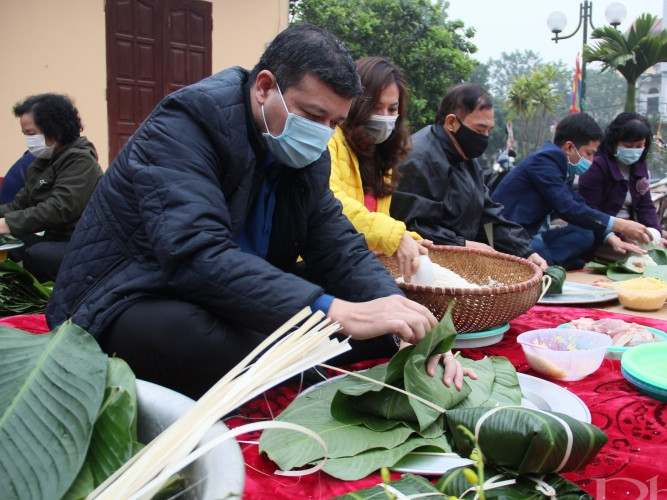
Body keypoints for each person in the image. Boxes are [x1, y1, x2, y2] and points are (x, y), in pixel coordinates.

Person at [46, 24, 472, 399]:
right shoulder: (184, 125)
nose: (322, 134)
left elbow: (340, 248)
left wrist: (400, 315)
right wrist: (336, 313)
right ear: (265, 87)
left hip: (237, 293)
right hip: (141, 293)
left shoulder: (307, 156)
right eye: (313, 115)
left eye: (334, 123)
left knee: (373, 313)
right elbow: (195, 255)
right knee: (190, 338)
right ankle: (300, 351)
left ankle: (294, 352)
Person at [389, 83, 546, 268]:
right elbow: (411, 226)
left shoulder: (465, 157)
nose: (484, 137)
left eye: (489, 131)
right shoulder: (420, 158)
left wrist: (525, 251)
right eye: (479, 130)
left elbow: (487, 211)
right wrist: (463, 245)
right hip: (421, 264)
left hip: (457, 261)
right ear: (451, 122)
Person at [490, 112, 650, 270]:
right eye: (589, 153)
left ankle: (549, 264)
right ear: (569, 147)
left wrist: (609, 236)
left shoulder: (565, 167)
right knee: (538, 252)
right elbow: (568, 208)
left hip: (534, 234)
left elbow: (578, 204)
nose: (591, 160)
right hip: (511, 235)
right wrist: (620, 225)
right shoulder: (544, 162)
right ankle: (549, 265)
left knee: (585, 234)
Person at [327, 57, 429, 279]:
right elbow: (330, 203)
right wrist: (395, 237)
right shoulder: (331, 139)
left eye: (392, 109)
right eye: (375, 107)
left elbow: (374, 224)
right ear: (355, 104)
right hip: (320, 265)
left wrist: (409, 239)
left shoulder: (382, 157)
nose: (385, 118)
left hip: (357, 266)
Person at [0, 94, 103, 281]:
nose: (28, 140)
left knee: (39, 255)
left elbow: (59, 208)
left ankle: (37, 288)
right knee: (9, 242)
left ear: (54, 130)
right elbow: (19, 204)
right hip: (52, 238)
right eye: (25, 134)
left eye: (31, 133)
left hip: (81, 242)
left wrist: (7, 224)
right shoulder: (41, 163)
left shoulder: (81, 160)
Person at [578, 112, 666, 261]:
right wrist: (618, 233)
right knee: (632, 257)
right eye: (628, 145)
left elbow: (645, 205)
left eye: (639, 146)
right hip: (602, 233)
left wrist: (656, 235)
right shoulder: (596, 165)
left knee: (664, 245)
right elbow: (590, 211)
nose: (634, 150)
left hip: (632, 232)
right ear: (614, 141)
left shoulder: (640, 166)